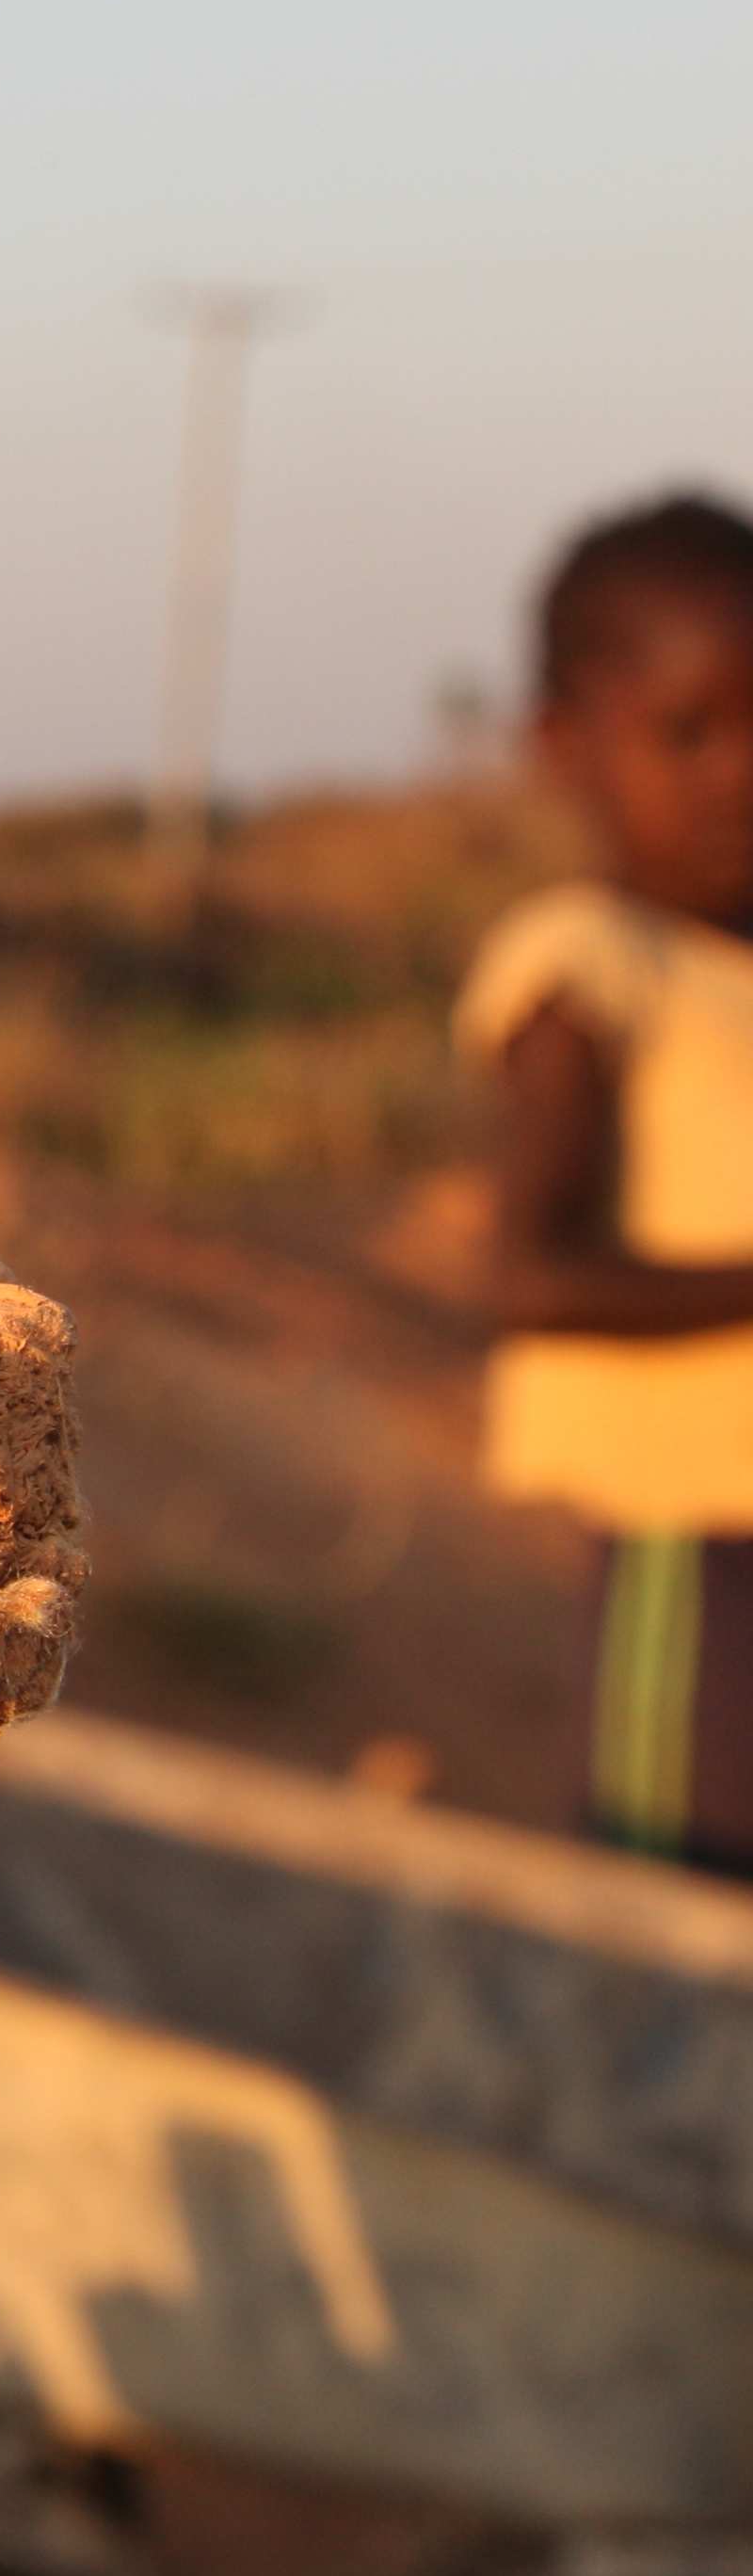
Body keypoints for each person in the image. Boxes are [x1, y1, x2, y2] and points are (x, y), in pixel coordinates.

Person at [467, 491, 753, 1871]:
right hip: (685, 1546)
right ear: (565, 747)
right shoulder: (590, 964)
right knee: (672, 1897)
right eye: (690, 731)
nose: (738, 773)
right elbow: (531, 1272)